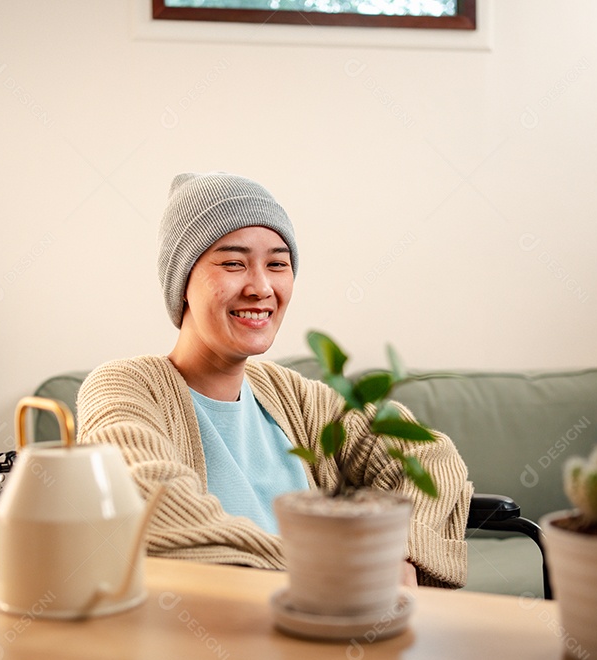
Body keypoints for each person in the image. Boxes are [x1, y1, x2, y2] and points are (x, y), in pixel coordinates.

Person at [76, 172, 472, 587]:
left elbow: (431, 459)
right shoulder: (125, 387)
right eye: (233, 263)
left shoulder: (293, 396)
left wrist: (399, 552)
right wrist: (345, 567)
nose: (261, 287)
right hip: (207, 635)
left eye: (278, 264)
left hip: (329, 625)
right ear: (182, 284)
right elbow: (152, 507)